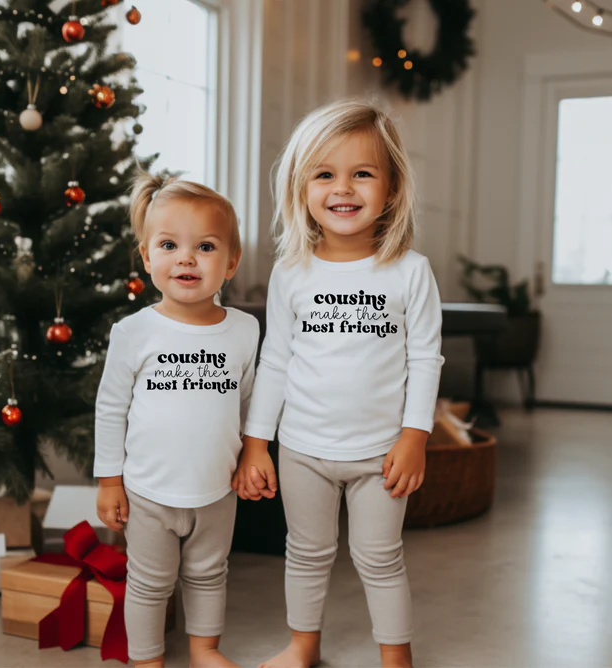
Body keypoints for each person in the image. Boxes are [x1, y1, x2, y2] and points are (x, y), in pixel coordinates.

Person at [232, 98, 445, 668]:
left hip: (382, 453)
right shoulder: (291, 272)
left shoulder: (409, 272)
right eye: (324, 174)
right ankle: (304, 646)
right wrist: (257, 442)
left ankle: (395, 657)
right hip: (303, 448)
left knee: (381, 558)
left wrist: (415, 436)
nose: (342, 188)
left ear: (391, 188)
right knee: (305, 553)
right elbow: (275, 360)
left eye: (362, 173)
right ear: (302, 189)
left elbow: (426, 358)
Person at [95, 173, 259, 668]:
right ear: (147, 258)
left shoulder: (245, 330)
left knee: (210, 573)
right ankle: (147, 660)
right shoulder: (134, 332)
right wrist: (109, 481)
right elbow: (110, 409)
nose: (186, 258)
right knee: (149, 582)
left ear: (230, 263)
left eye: (205, 247)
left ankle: (205, 649)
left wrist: (254, 454)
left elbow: (249, 403)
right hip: (147, 490)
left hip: (216, 488)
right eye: (169, 245)